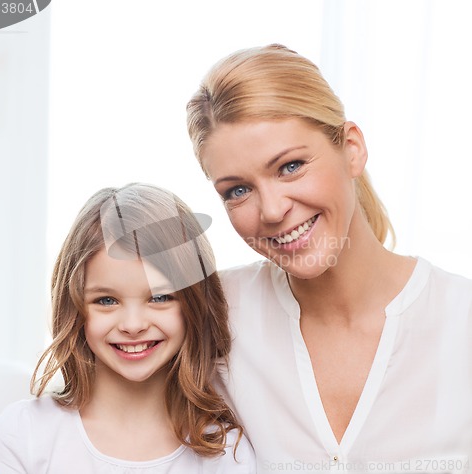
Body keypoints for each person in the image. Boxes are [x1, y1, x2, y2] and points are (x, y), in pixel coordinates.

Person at [186, 44, 472, 472]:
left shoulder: (460, 322)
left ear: (352, 148)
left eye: (290, 166)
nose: (272, 210)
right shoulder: (213, 316)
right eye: (237, 190)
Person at [0, 183, 256, 473]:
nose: (133, 325)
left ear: (194, 303)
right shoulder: (24, 434)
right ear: (74, 308)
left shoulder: (227, 453)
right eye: (107, 300)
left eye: (160, 297)